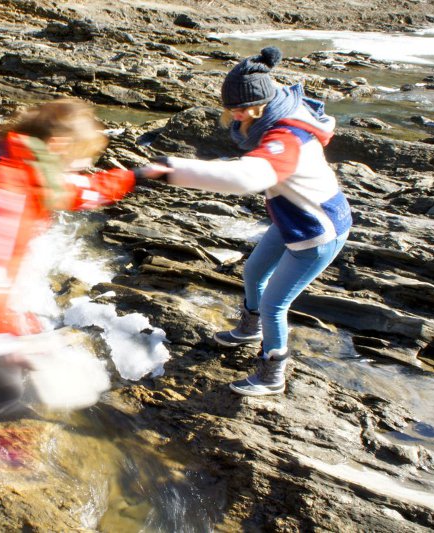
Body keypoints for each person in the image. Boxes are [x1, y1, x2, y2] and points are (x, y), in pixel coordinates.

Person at [0, 99, 137, 482]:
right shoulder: (6, 190)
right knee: (8, 388)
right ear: (58, 148)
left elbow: (76, 189)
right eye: (80, 159)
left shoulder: (22, 168)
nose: (83, 169)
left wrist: (139, 176)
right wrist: (10, 325)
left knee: (14, 382)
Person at [138, 46, 351, 397]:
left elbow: (247, 178)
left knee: (275, 304)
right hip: (292, 218)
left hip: (316, 232)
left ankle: (271, 374)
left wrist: (171, 170)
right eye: (231, 109)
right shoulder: (278, 111)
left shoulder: (285, 137)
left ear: (258, 106)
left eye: (238, 111)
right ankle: (250, 328)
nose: (233, 118)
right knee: (253, 273)